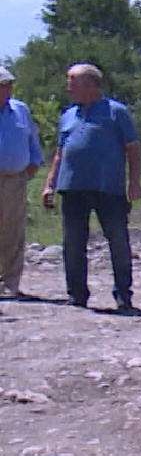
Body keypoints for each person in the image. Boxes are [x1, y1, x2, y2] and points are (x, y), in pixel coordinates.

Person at [39, 64, 141, 311]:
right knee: (73, 242)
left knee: (117, 240)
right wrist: (50, 184)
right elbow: (60, 153)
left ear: (91, 85)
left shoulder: (116, 112)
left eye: (73, 82)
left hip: (108, 188)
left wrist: (134, 182)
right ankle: (77, 294)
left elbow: (133, 148)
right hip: (72, 187)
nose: (69, 87)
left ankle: (123, 295)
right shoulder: (68, 115)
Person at [0, 66, 44, 299]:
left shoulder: (20, 110)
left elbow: (32, 141)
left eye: (8, 85)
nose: (6, 89)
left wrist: (32, 166)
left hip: (15, 179)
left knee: (12, 231)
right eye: (2, 85)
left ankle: (10, 283)